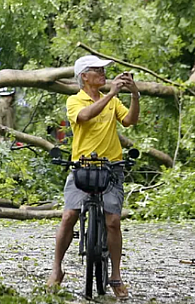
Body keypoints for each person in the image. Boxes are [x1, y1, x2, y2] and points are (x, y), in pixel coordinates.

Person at [47, 55, 139, 298]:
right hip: (82, 167)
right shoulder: (74, 100)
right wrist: (111, 94)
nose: (102, 73)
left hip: (111, 168)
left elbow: (130, 120)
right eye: (96, 70)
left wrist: (135, 94)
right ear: (83, 76)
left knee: (113, 222)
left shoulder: (113, 101)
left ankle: (116, 275)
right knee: (68, 216)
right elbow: (85, 116)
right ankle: (57, 269)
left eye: (103, 70)